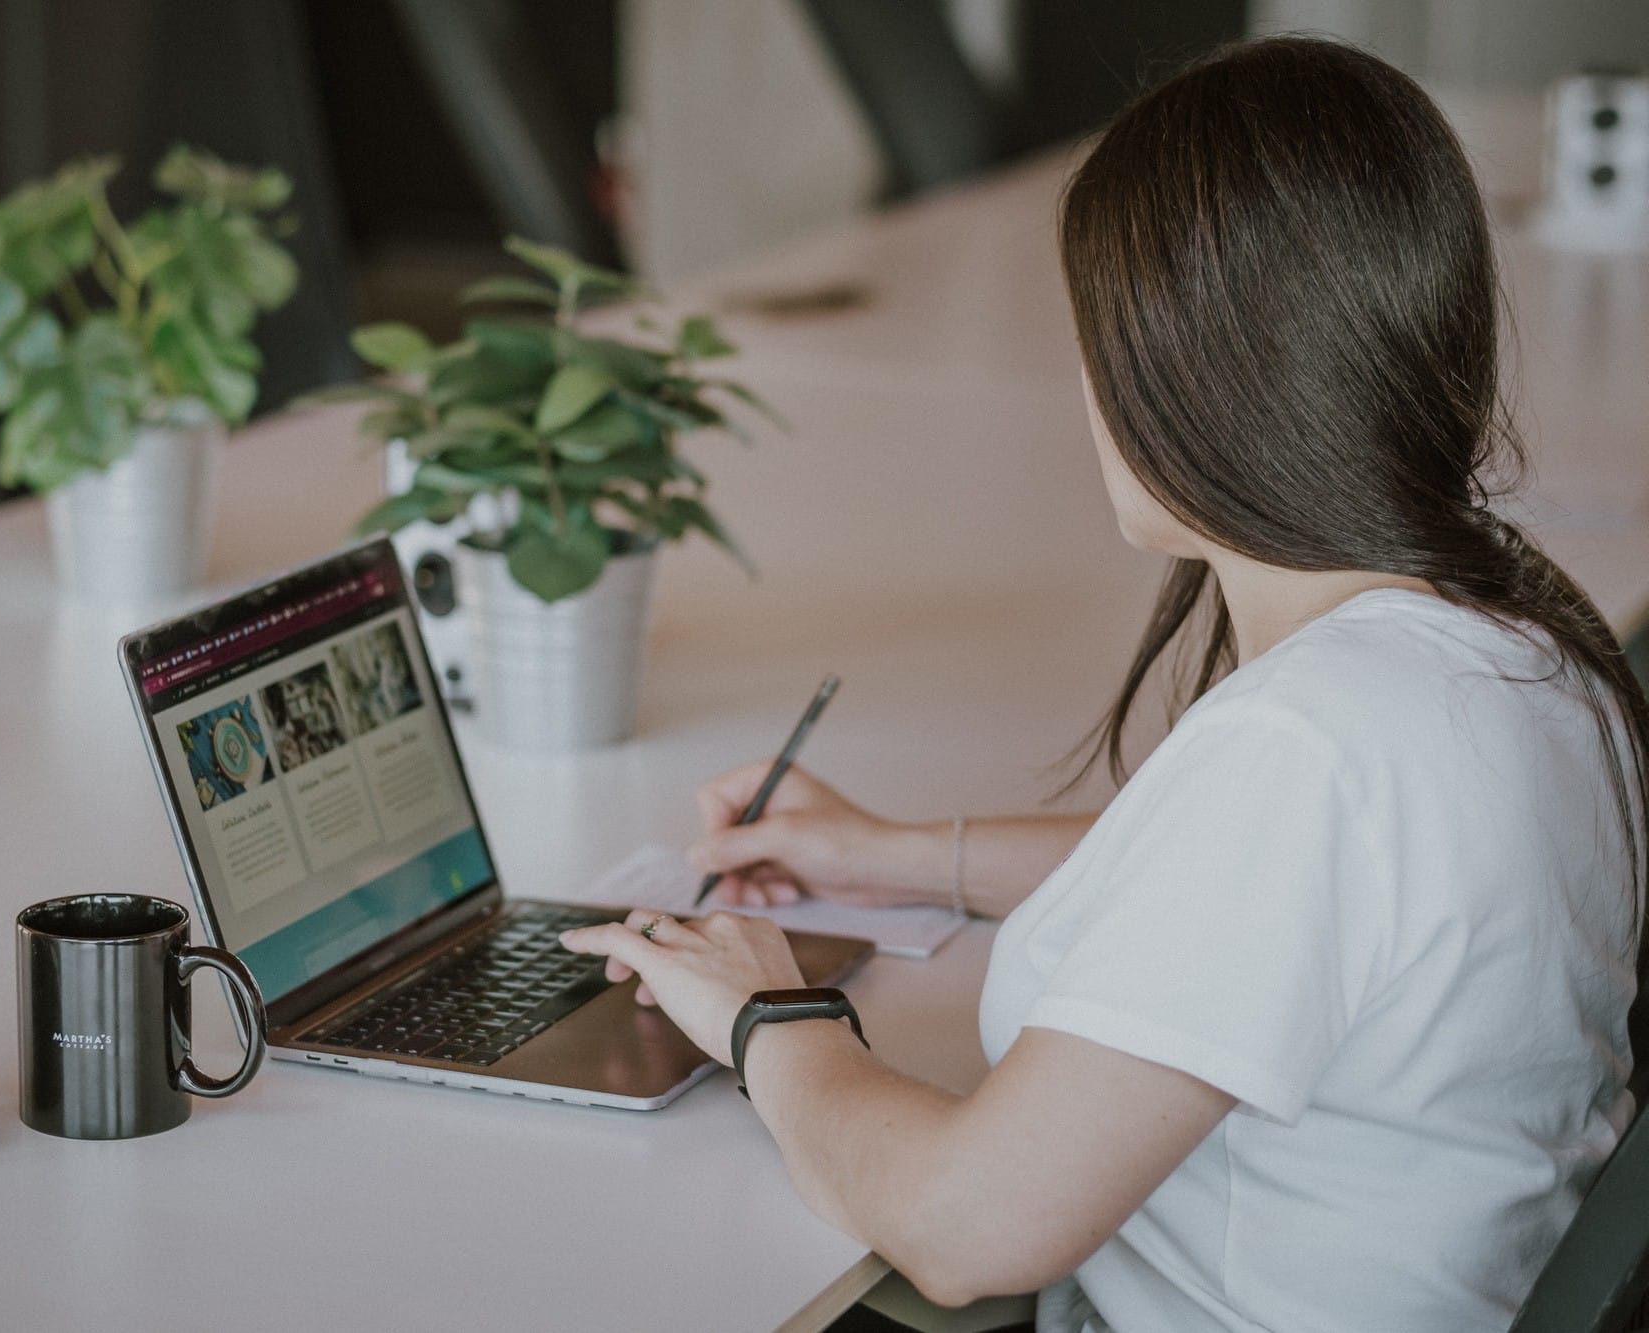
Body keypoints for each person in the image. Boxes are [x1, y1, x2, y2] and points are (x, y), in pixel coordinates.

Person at [560, 36, 1646, 1332]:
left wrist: (761, 1014)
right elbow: (1265, 897)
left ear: (1192, 374)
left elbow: (970, 1226)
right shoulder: (1516, 642)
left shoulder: (1308, 748)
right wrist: (895, 854)